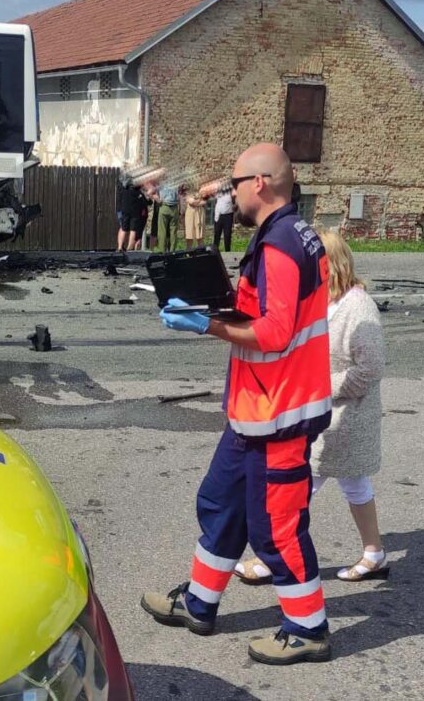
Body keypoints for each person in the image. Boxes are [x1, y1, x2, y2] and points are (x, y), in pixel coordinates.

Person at [140, 143, 333, 665]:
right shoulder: (290, 235)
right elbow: (273, 312)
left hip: (279, 416)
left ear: (261, 184)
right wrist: (221, 303)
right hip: (257, 413)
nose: (229, 191)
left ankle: (308, 628)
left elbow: (273, 333)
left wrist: (204, 322)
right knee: (221, 505)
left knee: (277, 529)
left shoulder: (280, 245)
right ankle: (200, 603)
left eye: (234, 182)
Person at [235, 228, 387, 585]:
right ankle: (374, 552)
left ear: (329, 264)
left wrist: (317, 387)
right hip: (321, 416)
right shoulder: (321, 299)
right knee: (343, 486)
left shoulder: (358, 305)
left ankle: (272, 557)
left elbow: (370, 368)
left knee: (299, 488)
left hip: (345, 420)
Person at [116, 175, 149, 252]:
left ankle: (120, 247)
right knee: (133, 230)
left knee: (123, 228)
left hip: (124, 210)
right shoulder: (138, 192)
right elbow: (145, 201)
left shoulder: (124, 189)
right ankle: (129, 249)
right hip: (135, 212)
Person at [157, 183, 180, 252]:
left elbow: (152, 191)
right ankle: (172, 251)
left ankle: (162, 251)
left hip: (164, 205)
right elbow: (180, 193)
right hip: (174, 206)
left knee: (162, 231)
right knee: (173, 231)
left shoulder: (161, 179)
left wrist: (158, 199)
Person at [213, 186, 236, 252]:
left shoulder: (231, 188)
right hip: (219, 215)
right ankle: (215, 252)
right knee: (217, 234)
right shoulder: (217, 189)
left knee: (227, 235)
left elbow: (234, 198)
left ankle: (227, 252)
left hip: (228, 215)